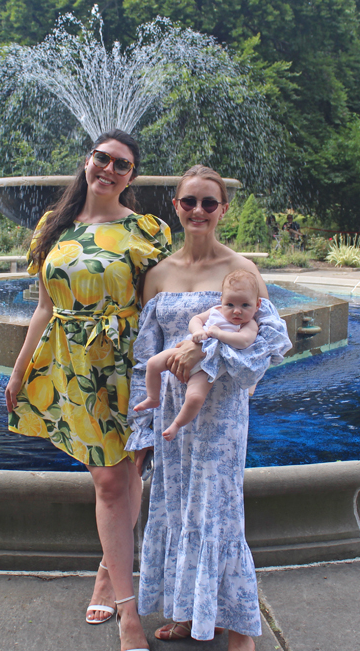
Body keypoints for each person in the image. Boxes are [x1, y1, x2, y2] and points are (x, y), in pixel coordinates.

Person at [4, 129, 171, 651]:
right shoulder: (52, 229)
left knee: (130, 473)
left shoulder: (146, 231)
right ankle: (129, 614)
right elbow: (44, 308)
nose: (108, 169)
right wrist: (18, 370)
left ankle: (108, 571)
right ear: (87, 160)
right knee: (108, 482)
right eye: (102, 158)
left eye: (122, 165)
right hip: (76, 367)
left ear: (131, 178)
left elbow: (170, 298)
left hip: (130, 363)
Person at [125, 165, 291, 651]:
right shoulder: (158, 275)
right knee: (177, 509)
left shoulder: (240, 271)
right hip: (171, 415)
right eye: (189, 202)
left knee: (218, 511)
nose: (199, 211)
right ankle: (191, 613)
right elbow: (144, 359)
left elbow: (270, 345)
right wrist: (143, 430)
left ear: (223, 209)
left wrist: (208, 351)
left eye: (209, 203)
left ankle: (239, 626)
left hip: (220, 416)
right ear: (175, 206)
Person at [134, 269, 261, 441]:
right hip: (186, 349)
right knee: (153, 363)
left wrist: (218, 334)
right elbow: (195, 320)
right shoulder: (216, 311)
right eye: (230, 305)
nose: (236, 311)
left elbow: (244, 341)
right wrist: (198, 331)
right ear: (222, 301)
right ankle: (152, 397)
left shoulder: (249, 324)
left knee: (194, 397)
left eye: (245, 305)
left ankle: (177, 424)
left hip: (207, 368)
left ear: (257, 305)